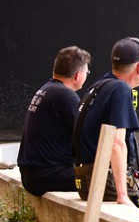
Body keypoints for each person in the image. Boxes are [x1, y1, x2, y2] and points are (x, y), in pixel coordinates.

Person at [73, 37, 139, 209]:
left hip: (86, 178)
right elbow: (116, 143)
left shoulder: (99, 86)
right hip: (102, 180)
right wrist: (122, 195)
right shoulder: (121, 90)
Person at [17, 46, 91, 196]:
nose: (87, 75)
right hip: (47, 176)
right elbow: (85, 137)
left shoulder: (46, 89)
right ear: (78, 75)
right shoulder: (66, 95)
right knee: (104, 180)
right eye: (87, 72)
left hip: (32, 174)